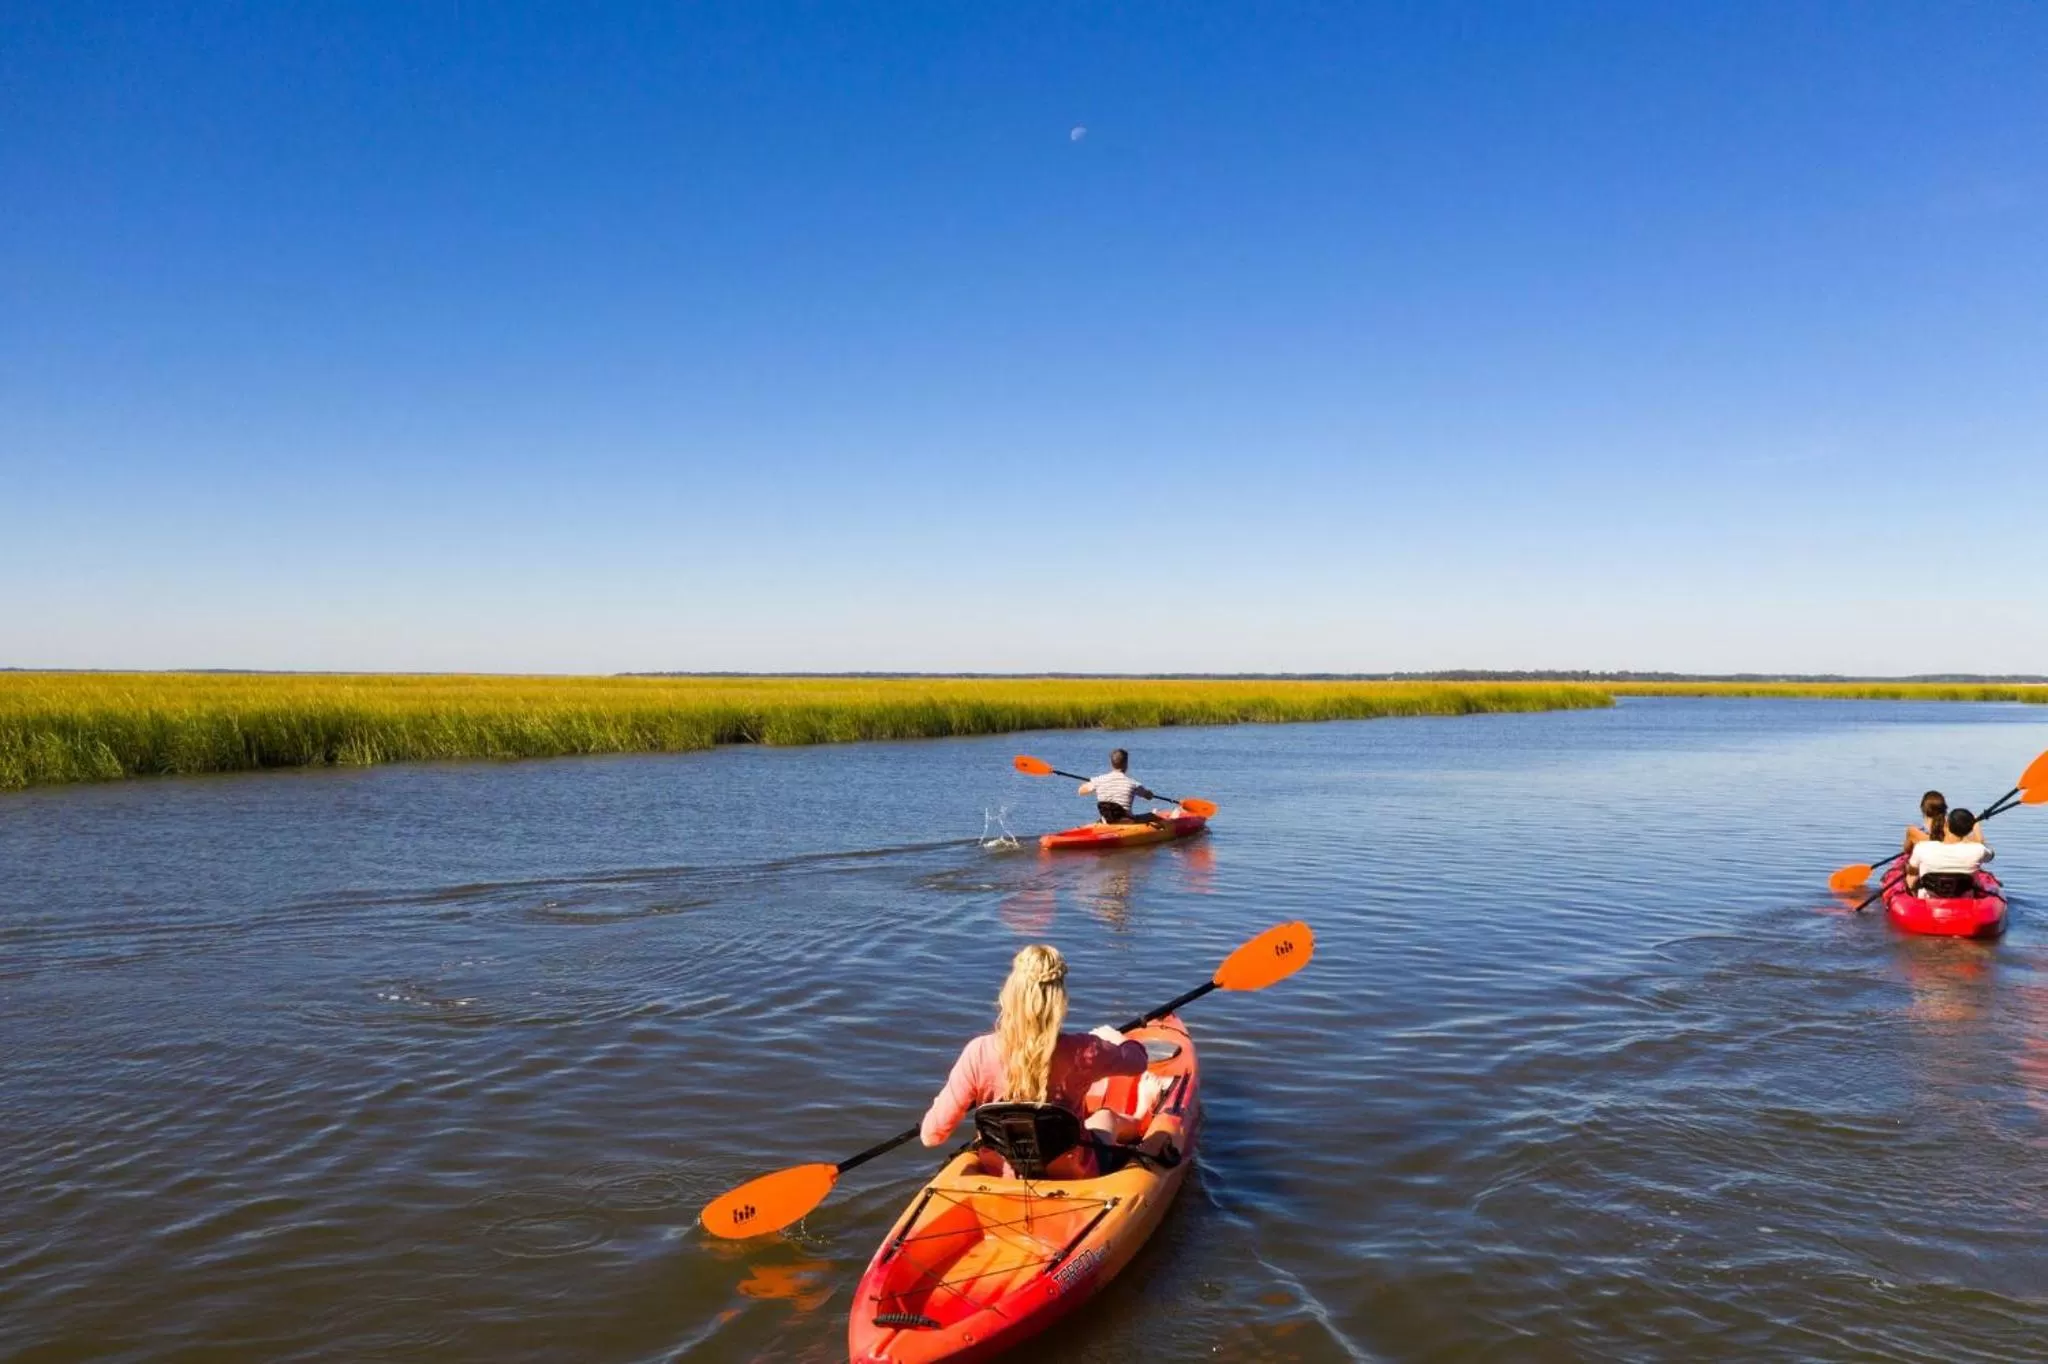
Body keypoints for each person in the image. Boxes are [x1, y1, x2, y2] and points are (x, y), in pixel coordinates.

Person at [920, 944, 1150, 1178]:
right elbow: (1139, 1062)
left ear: (1009, 994)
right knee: (1106, 1117)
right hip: (1073, 1173)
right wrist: (1118, 1039)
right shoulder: (1085, 1049)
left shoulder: (978, 1052)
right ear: (1060, 1001)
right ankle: (1141, 1115)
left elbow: (931, 1137)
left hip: (999, 1174)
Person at [1906, 807, 1994, 898]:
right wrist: (1976, 827)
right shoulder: (1978, 849)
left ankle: (1911, 896)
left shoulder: (1922, 847)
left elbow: (1912, 872)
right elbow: (1990, 854)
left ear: (1946, 825)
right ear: (1970, 830)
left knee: (1911, 875)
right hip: (1964, 900)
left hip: (1929, 899)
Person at [1077, 748, 1163, 826]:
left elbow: (1080, 791)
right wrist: (1150, 793)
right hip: (1128, 822)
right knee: (1152, 816)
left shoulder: (1098, 780)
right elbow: (1149, 797)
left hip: (1107, 821)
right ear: (1126, 764)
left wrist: (1092, 782)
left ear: (1111, 763)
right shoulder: (1133, 784)